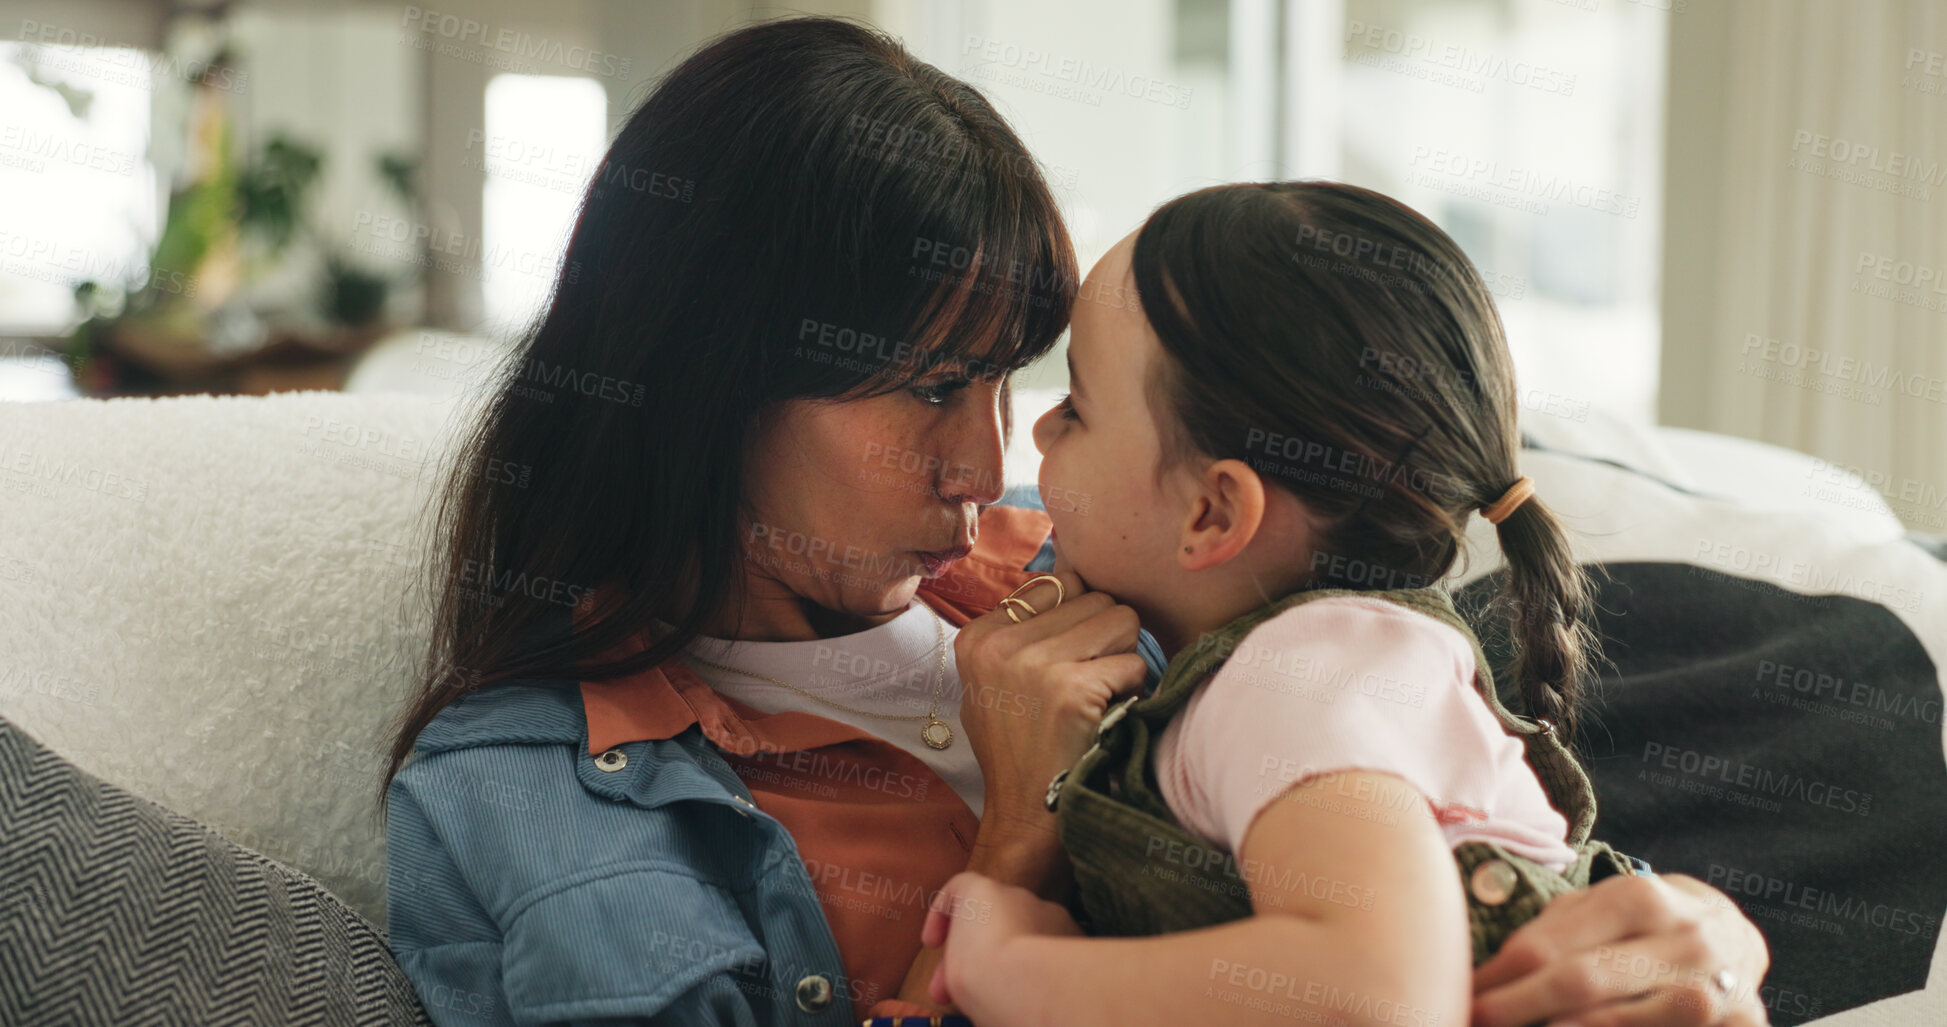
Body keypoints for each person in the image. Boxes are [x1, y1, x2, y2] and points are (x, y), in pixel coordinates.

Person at [378, 17, 1770, 1026]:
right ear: (705, 382)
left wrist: (1681, 929)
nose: (985, 466)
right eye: (926, 389)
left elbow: (1414, 795)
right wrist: (1011, 848)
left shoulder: (1108, 556)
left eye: (1011, 383)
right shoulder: (534, 780)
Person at [920, 182, 1773, 1026]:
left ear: (1212, 512)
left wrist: (1013, 966)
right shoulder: (1319, 671)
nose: (1029, 439)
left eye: (1074, 408)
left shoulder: (1302, 669)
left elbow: (1372, 994)